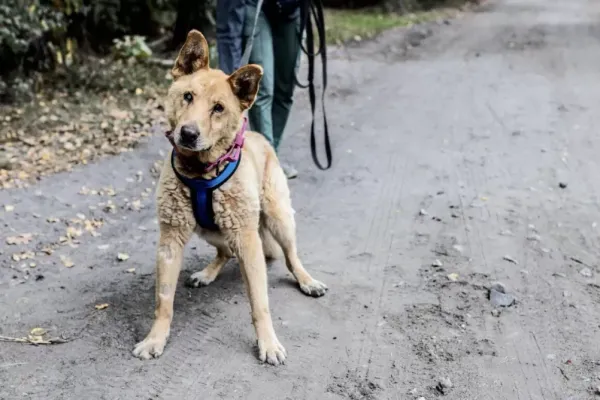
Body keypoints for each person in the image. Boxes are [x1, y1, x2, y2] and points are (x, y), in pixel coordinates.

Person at [216, 0, 301, 179]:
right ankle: (266, 167)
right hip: (255, 7)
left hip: (291, 9)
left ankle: (271, 156)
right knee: (264, 89)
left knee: (285, 89)